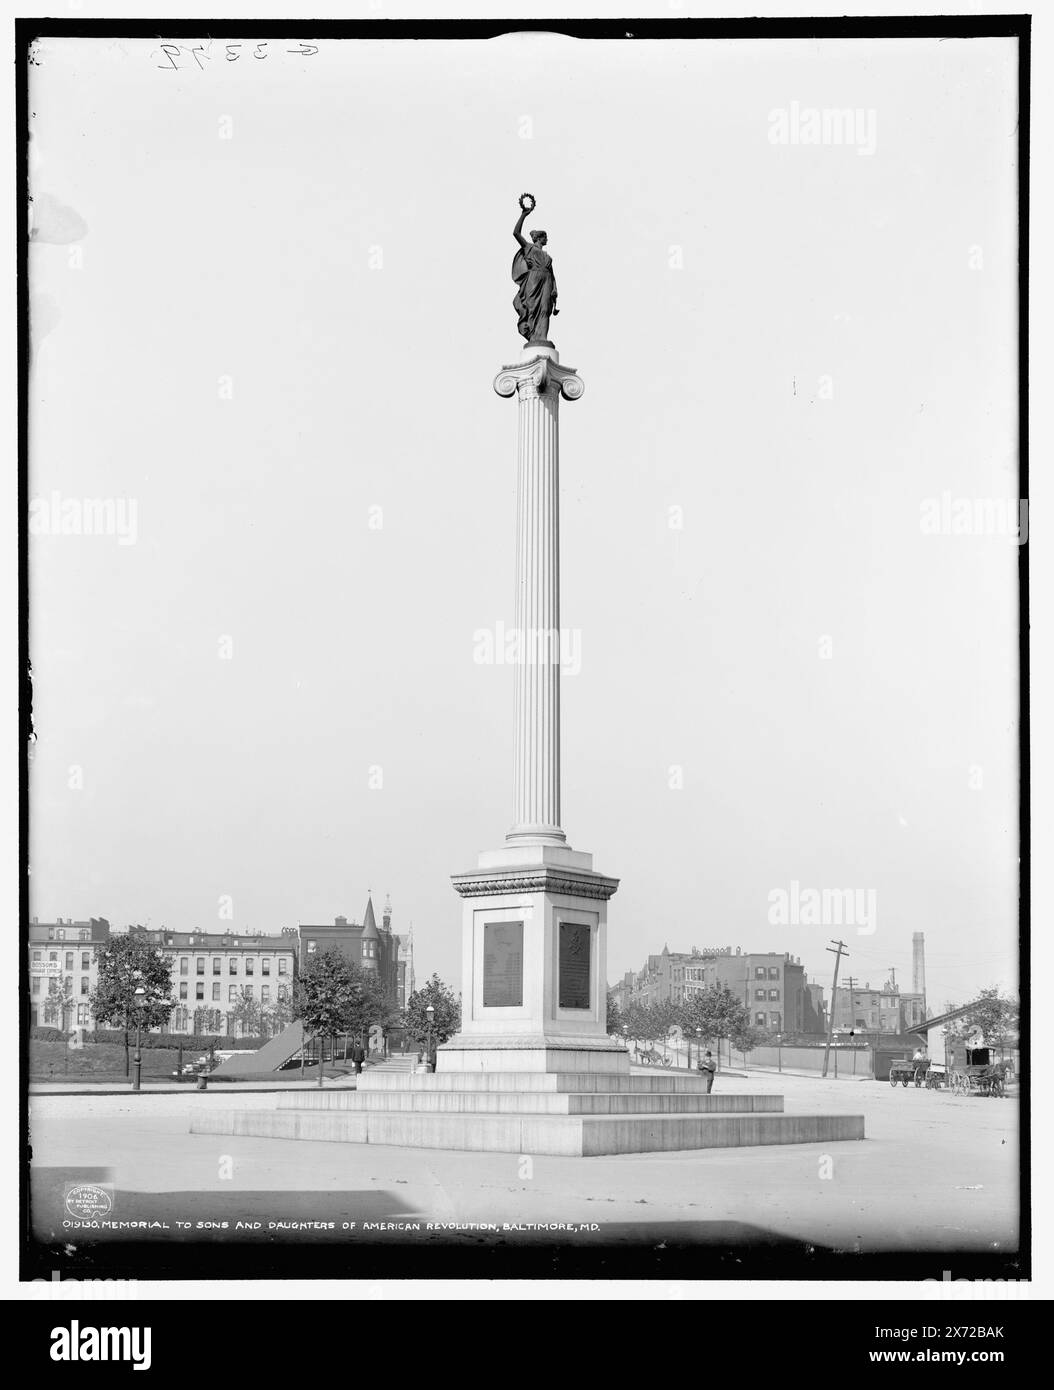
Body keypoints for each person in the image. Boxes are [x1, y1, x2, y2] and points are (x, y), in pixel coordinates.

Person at [512, 198, 558, 344]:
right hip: (533, 278)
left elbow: (552, 274)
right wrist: (524, 215)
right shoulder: (529, 248)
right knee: (532, 309)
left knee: (545, 309)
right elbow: (516, 233)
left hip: (547, 280)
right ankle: (532, 336)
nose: (547, 239)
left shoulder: (548, 257)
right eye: (546, 237)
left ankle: (542, 338)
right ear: (540, 238)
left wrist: (555, 289)